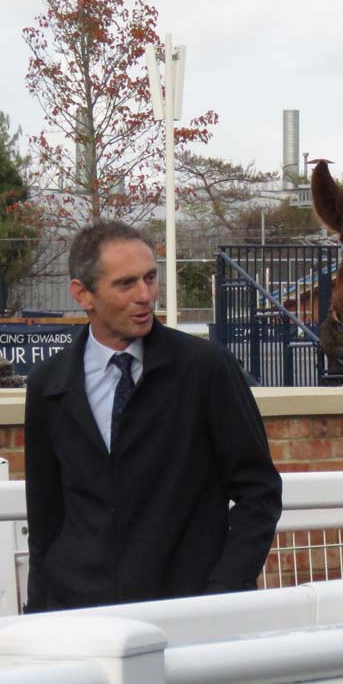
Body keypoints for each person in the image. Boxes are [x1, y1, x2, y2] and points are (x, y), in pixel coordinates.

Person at [24, 221, 282, 612]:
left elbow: (259, 492)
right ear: (82, 293)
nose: (145, 296)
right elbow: (45, 521)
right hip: (78, 619)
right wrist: (39, 619)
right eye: (126, 284)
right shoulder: (48, 385)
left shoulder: (206, 369)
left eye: (150, 277)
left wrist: (224, 592)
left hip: (188, 615)